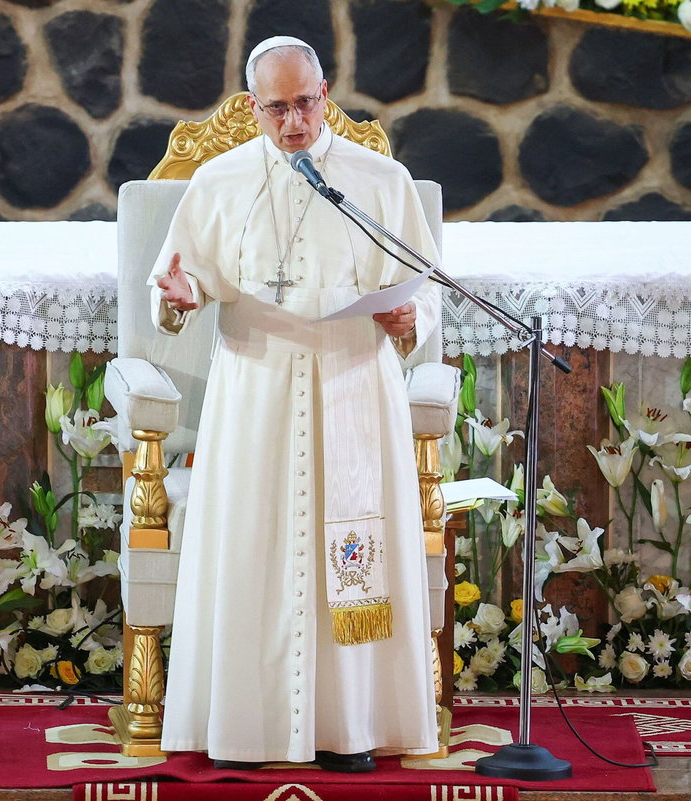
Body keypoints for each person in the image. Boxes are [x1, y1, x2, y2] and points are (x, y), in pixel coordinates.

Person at [149, 35, 441, 773]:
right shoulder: (218, 181)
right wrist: (179, 301)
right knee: (256, 548)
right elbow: (175, 282)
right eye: (276, 108)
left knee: (348, 553)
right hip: (257, 388)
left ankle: (353, 725)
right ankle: (249, 728)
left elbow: (425, 285)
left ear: (325, 91)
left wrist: (413, 319)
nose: (295, 122)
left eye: (305, 103)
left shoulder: (379, 179)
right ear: (254, 108)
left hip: (353, 385)